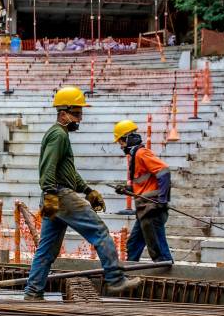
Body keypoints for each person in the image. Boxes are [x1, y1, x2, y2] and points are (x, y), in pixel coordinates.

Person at [24, 86, 143, 301]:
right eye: (76, 114)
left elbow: (68, 172)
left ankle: (33, 292)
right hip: (58, 194)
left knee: (47, 248)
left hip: (55, 194)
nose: (79, 119)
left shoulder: (59, 135)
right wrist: (51, 192)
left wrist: (87, 191)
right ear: (63, 113)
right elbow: (48, 167)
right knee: (99, 231)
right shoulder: (58, 135)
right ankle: (116, 279)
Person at [113, 120, 173, 263]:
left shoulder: (141, 153)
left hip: (152, 209)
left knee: (158, 249)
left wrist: (162, 199)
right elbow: (143, 185)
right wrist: (126, 190)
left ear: (127, 139)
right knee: (133, 245)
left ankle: (166, 275)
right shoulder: (135, 156)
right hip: (144, 210)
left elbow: (164, 171)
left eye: (120, 142)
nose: (120, 146)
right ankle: (129, 272)